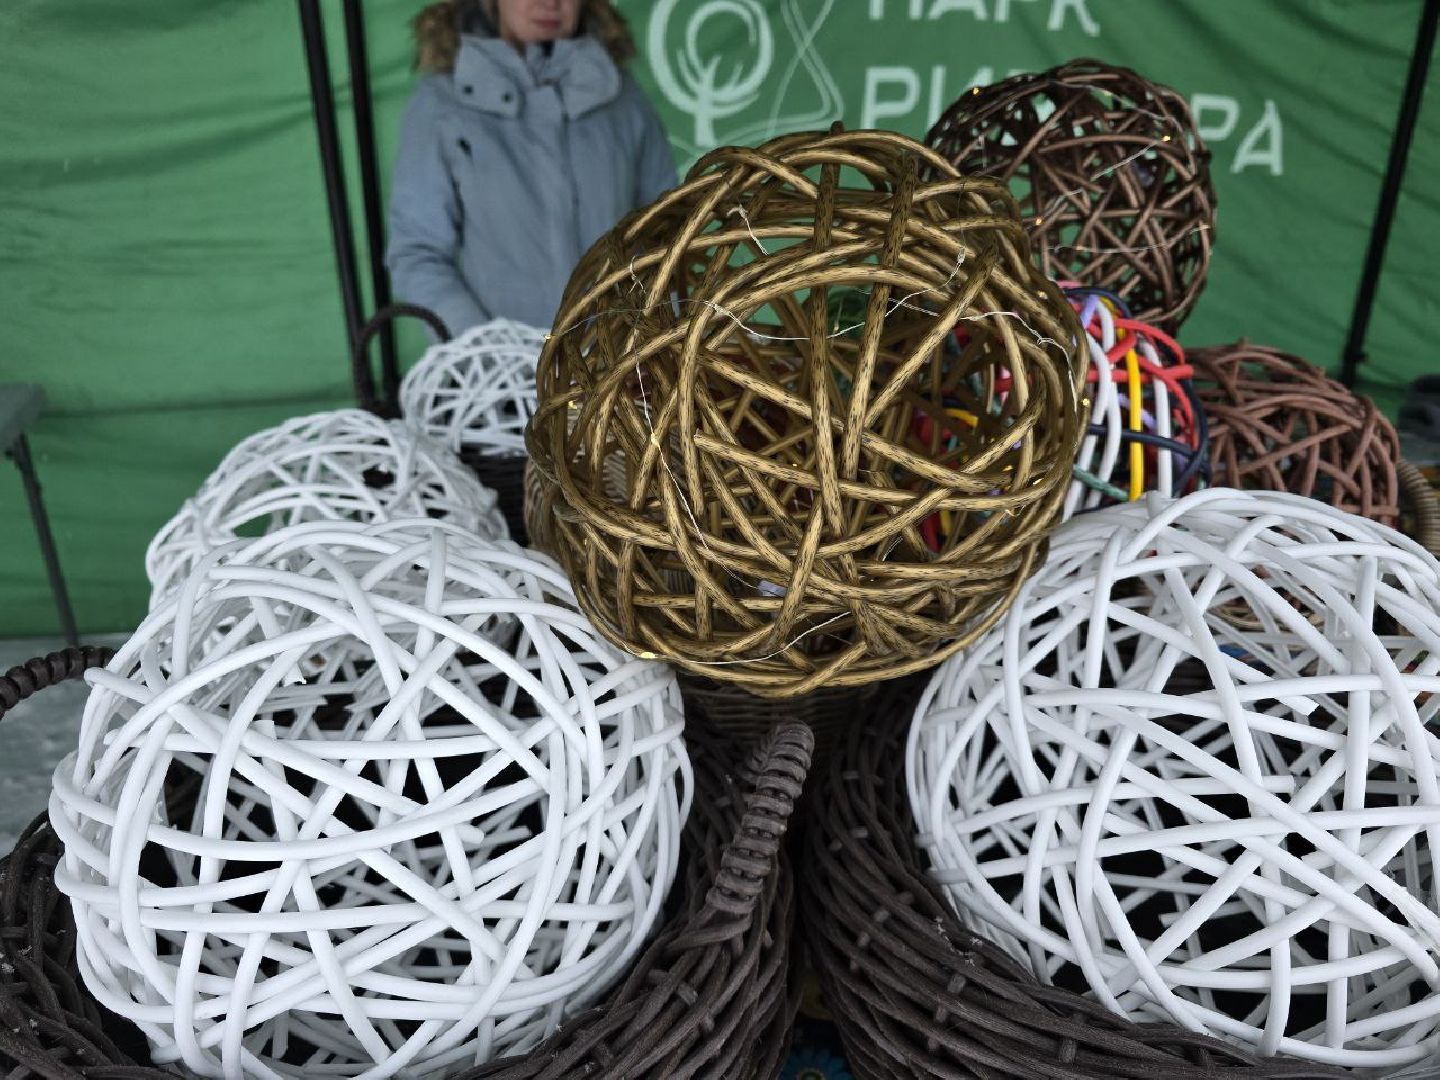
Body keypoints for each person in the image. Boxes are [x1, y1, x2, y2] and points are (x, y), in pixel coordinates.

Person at [387, 0, 677, 334]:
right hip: (500, 375)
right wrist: (484, 350)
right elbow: (417, 251)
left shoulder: (623, 99)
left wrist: (658, 344)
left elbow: (667, 234)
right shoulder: (441, 105)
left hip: (622, 370)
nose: (550, 3)